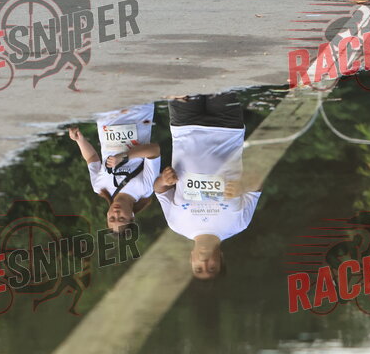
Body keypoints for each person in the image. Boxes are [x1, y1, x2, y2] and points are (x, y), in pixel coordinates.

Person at [153, 93, 261, 280]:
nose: (204, 263)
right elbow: (258, 181)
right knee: (221, 78)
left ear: (191, 260)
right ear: (221, 259)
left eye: (198, 269)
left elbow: (159, 190)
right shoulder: (239, 224)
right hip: (227, 128)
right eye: (211, 268)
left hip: (184, 128)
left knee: (181, 79)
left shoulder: (176, 224)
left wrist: (163, 180)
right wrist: (243, 187)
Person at [69, 103, 160, 234]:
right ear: (132, 216)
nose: (116, 213)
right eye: (121, 218)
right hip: (137, 111)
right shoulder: (145, 189)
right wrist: (124, 157)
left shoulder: (99, 187)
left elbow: (92, 158)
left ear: (107, 215)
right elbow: (154, 150)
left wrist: (79, 140)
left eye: (112, 218)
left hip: (106, 114)